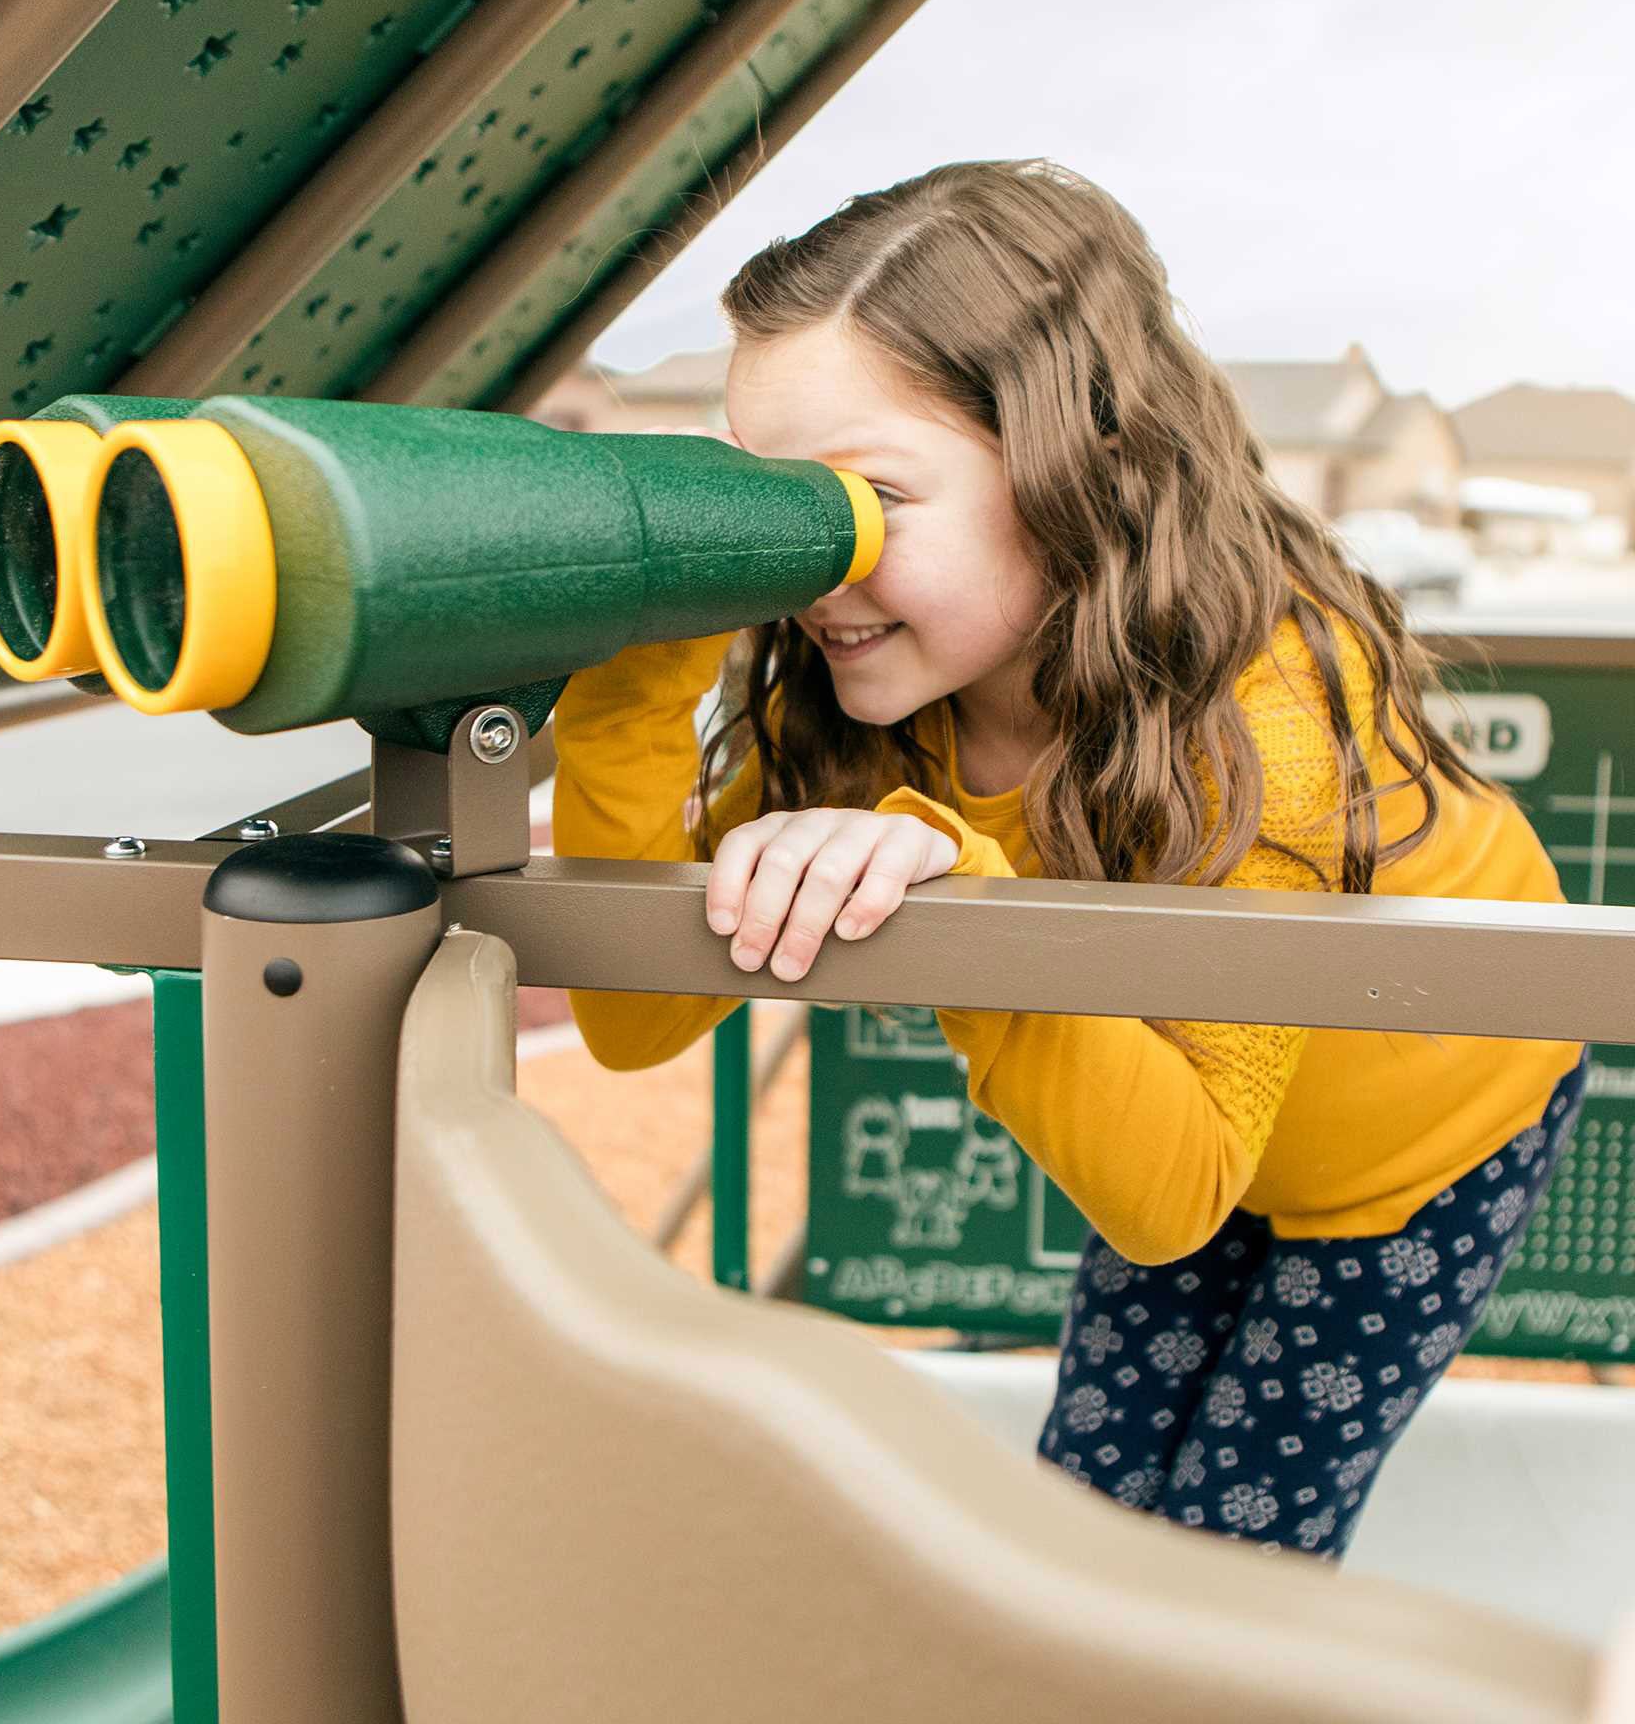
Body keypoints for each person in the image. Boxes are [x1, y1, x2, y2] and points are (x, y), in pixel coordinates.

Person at [550, 158, 1586, 1561]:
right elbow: (634, 1017)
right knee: (1083, 1522)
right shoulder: (884, 691)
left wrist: (969, 898)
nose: (817, 570)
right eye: (786, 509)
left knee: (1235, 1555)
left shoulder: (1265, 708)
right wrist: (628, 694)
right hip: (1172, 1097)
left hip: (1418, 1143)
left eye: (870, 500)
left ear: (1069, 473)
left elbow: (1172, 1198)